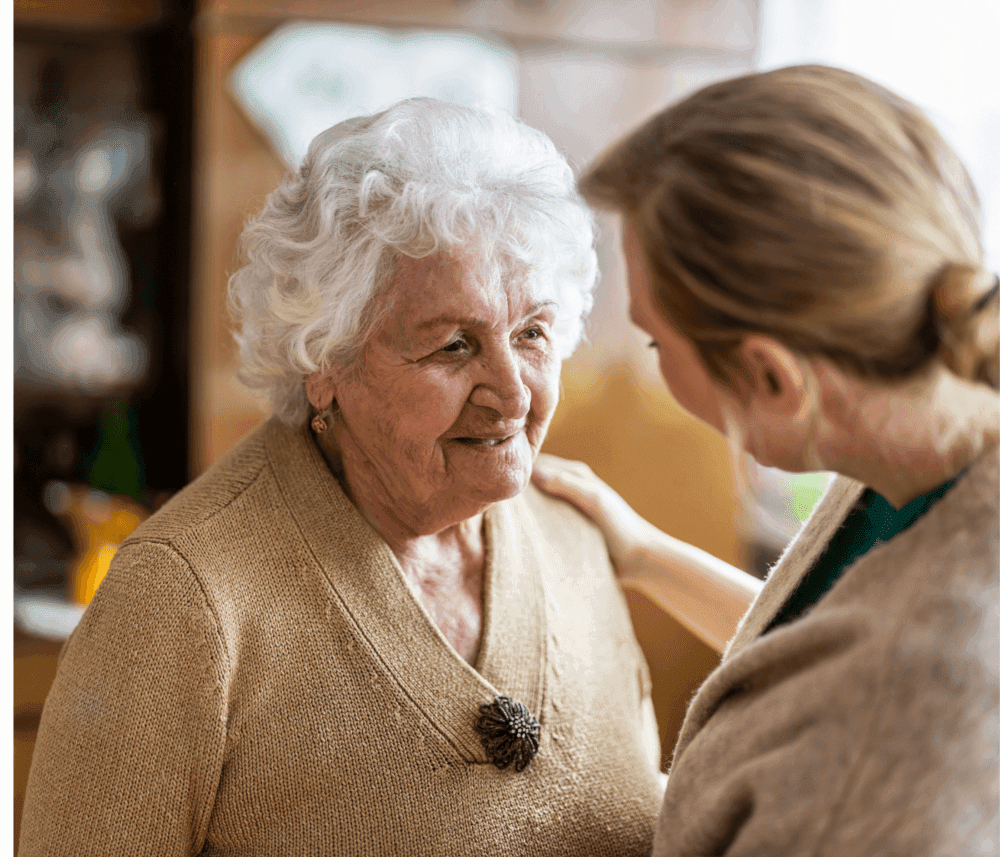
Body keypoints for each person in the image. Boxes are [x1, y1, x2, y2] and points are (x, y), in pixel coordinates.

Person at [20, 98, 692, 856]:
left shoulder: (577, 539)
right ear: (324, 361)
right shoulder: (182, 599)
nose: (513, 392)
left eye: (532, 332)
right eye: (453, 346)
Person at [534, 64, 999, 855]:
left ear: (774, 379)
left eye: (655, 341)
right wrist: (643, 552)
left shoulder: (901, 719)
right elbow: (820, 646)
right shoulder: (920, 437)